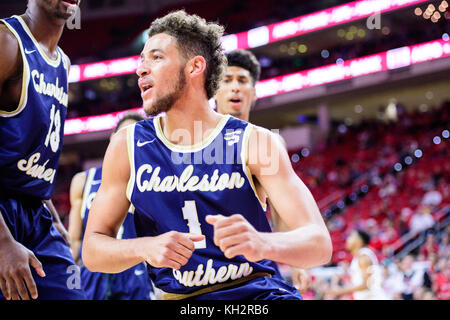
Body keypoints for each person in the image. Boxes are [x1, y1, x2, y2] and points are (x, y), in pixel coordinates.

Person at [82, 10, 332, 300]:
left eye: (156, 57)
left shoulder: (256, 142)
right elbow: (92, 250)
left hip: (255, 296)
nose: (141, 69)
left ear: (195, 66)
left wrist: (263, 243)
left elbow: (319, 244)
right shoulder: (127, 144)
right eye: (141, 60)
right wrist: (144, 247)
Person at [0, 0, 85, 300]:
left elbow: (31, 155)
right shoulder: (6, 40)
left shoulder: (63, 62)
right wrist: (2, 242)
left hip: (36, 212)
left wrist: (52, 215)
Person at [215, 49, 310, 294]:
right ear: (214, 89)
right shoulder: (192, 142)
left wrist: (295, 261)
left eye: (243, 81)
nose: (235, 87)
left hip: (254, 272)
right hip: (201, 273)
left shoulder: (264, 143)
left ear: (254, 93)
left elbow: (281, 210)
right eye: (227, 80)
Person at [68, 112, 154, 300]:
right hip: (94, 271)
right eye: (123, 135)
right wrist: (70, 279)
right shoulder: (83, 180)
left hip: (135, 271)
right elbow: (75, 240)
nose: (126, 143)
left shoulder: (152, 182)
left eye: (134, 137)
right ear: (113, 138)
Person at [328, 229, 387, 299]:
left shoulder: (363, 257)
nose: (347, 239)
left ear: (360, 241)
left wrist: (339, 291)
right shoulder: (358, 257)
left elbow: (367, 285)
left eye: (351, 236)